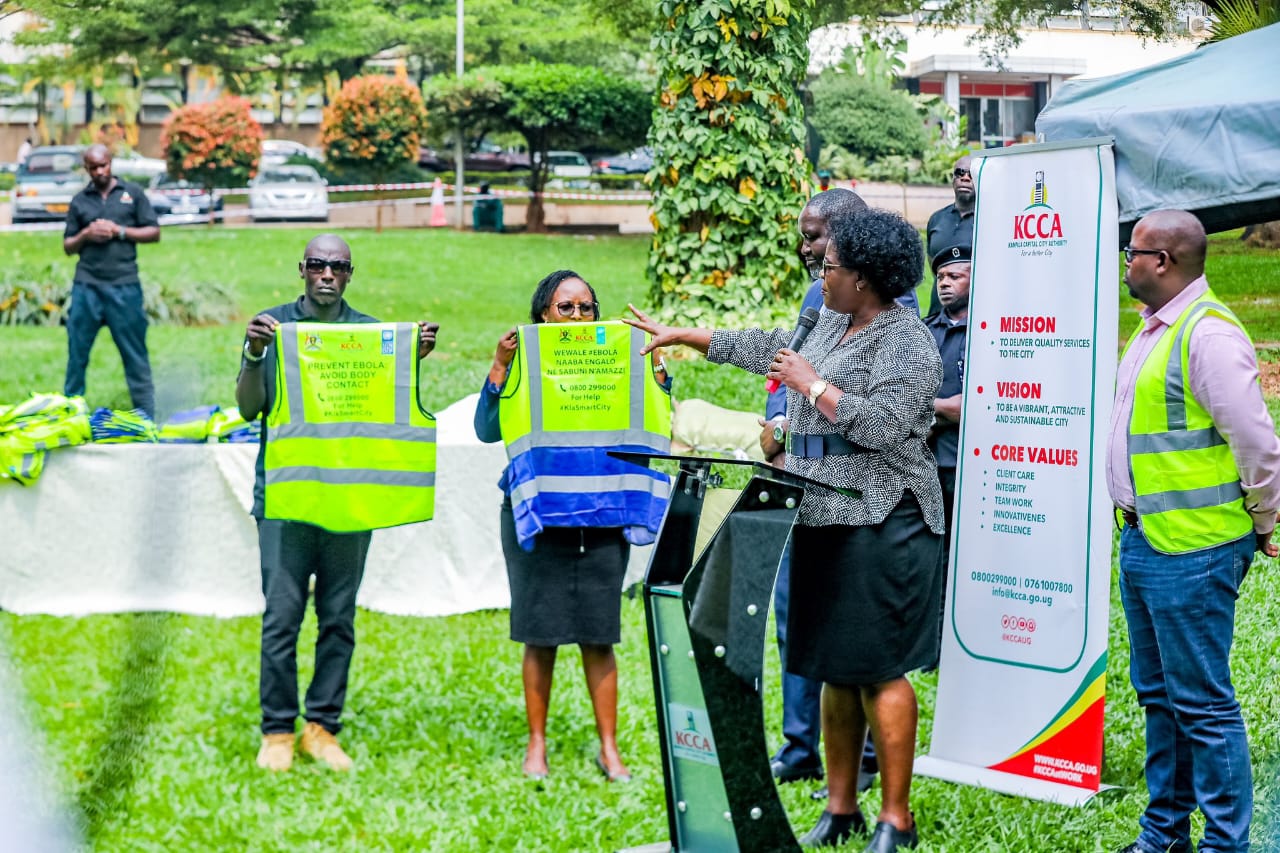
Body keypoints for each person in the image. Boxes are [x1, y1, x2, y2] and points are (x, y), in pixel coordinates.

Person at [628, 208, 944, 852]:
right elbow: (766, 344)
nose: (820, 273)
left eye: (831, 267)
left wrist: (814, 385)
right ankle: (840, 806)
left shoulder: (908, 341)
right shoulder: (829, 317)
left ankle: (896, 818)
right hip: (819, 509)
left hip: (888, 518)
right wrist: (687, 335)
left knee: (879, 670)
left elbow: (884, 427)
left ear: (865, 277)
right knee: (831, 665)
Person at [1108, 209, 1280, 853]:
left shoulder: (1206, 336)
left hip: (1196, 550)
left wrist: (1263, 519)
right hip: (1147, 541)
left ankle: (1224, 846)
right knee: (1160, 698)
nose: (1127, 263)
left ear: (1164, 262)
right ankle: (1165, 836)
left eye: (1133, 252)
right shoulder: (1155, 330)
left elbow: (1259, 444)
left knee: (1202, 706)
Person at [237, 234, 440, 773]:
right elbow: (246, 409)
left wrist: (411, 357)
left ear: (350, 275)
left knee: (338, 619)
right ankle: (277, 731)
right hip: (285, 497)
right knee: (281, 618)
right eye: (318, 265)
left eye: (338, 267)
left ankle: (322, 728)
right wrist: (255, 353)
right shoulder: (272, 328)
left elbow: (395, 411)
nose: (327, 274)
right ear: (301, 269)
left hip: (350, 499)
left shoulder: (373, 336)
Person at [474, 270, 670, 784]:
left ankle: (609, 749)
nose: (579, 317)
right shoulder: (522, 357)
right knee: (540, 636)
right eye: (566, 308)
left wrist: (657, 367)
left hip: (604, 513)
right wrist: (501, 365)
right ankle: (536, 746)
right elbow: (486, 430)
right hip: (539, 512)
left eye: (587, 307)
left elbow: (657, 411)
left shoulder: (621, 357)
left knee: (598, 636)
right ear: (543, 314)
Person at [760, 188, 886, 798]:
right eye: (806, 236)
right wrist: (778, 427)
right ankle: (800, 746)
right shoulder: (819, 296)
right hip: (798, 479)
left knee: (852, 627)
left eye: (816, 238)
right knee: (796, 615)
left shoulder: (885, 300)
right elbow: (788, 372)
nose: (806, 248)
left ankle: (862, 757)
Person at [62, 144, 160, 419]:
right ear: (87, 169)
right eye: (93, 168)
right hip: (87, 287)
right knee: (77, 354)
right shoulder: (80, 201)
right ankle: (70, 413)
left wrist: (119, 231)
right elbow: (68, 246)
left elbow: (154, 232)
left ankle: (146, 415)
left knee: (135, 355)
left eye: (103, 165)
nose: (99, 171)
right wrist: (86, 234)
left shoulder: (132, 194)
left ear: (110, 163)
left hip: (124, 286)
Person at [923, 244, 970, 658]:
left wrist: (930, 408)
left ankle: (960, 644)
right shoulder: (924, 330)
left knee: (962, 556)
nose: (945, 284)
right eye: (940, 277)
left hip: (965, 466)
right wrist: (940, 408)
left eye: (955, 276)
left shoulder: (989, 334)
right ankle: (933, 646)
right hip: (924, 464)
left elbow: (975, 405)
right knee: (929, 559)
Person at [923, 155, 974, 316]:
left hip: (972, 314)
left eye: (971, 174)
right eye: (960, 173)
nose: (965, 178)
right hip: (938, 310)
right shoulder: (937, 219)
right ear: (953, 179)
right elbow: (933, 263)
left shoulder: (990, 220)